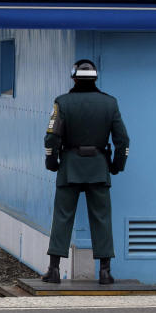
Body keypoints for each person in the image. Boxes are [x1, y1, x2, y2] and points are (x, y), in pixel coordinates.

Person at [42, 59, 129, 285]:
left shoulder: (62, 102)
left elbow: (52, 137)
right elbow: (122, 140)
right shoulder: (110, 104)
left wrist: (51, 161)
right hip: (99, 168)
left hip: (70, 166)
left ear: (74, 78)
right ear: (95, 78)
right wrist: (116, 166)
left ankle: (53, 270)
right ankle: (105, 272)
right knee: (101, 218)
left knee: (62, 217)